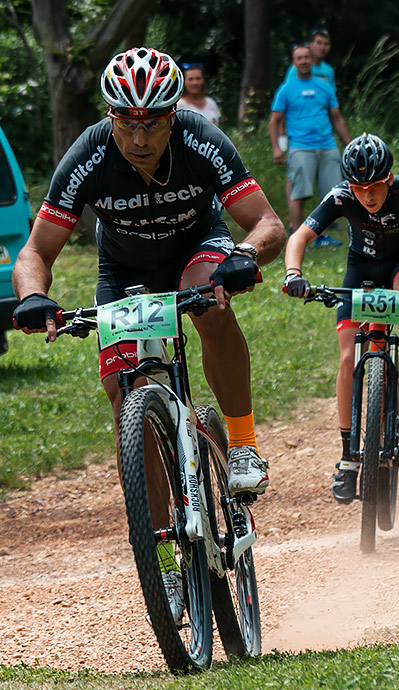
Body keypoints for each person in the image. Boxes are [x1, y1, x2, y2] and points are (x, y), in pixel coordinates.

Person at [12, 47, 285, 496]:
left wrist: (247, 255)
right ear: (110, 115)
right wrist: (32, 297)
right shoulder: (88, 155)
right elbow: (35, 251)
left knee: (209, 300)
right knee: (127, 410)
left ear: (173, 117)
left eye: (152, 124)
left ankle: (242, 444)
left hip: (197, 248)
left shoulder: (200, 139)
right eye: (127, 124)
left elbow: (267, 223)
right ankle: (161, 558)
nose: (139, 140)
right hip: (122, 268)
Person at [283, 133, 399, 504]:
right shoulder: (340, 196)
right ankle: (347, 457)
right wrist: (293, 273)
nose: (367, 196)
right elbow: (300, 237)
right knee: (345, 358)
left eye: (374, 186)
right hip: (362, 268)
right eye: (359, 188)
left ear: (388, 179)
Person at [269, 42, 350, 245]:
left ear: (312, 60)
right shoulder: (286, 89)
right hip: (300, 146)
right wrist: (277, 148)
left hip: (327, 145)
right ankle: (297, 236)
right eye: (299, 58)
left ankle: (321, 236)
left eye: (307, 57)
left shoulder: (324, 87)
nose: (304, 61)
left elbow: (337, 117)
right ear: (293, 62)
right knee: (300, 192)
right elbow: (275, 119)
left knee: (334, 192)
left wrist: (348, 144)